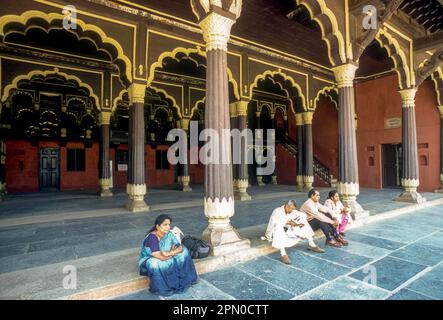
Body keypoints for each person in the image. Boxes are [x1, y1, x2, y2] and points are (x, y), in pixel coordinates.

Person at [138, 214, 198, 296]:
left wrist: (170, 253)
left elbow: (180, 247)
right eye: (165, 225)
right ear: (158, 226)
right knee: (156, 264)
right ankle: (163, 288)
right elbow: (160, 256)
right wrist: (172, 254)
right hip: (150, 258)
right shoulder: (152, 238)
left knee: (184, 252)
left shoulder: (169, 233)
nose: (168, 227)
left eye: (169, 224)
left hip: (166, 253)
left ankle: (188, 279)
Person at [263, 200, 325, 264]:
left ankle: (312, 245)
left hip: (287, 230)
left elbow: (302, 215)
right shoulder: (277, 211)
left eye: (293, 209)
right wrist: (291, 223)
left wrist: (301, 219)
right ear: (287, 206)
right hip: (275, 233)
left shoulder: (292, 211)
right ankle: (283, 254)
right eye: (291, 208)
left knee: (303, 222)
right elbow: (276, 223)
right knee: (278, 227)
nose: (292, 210)